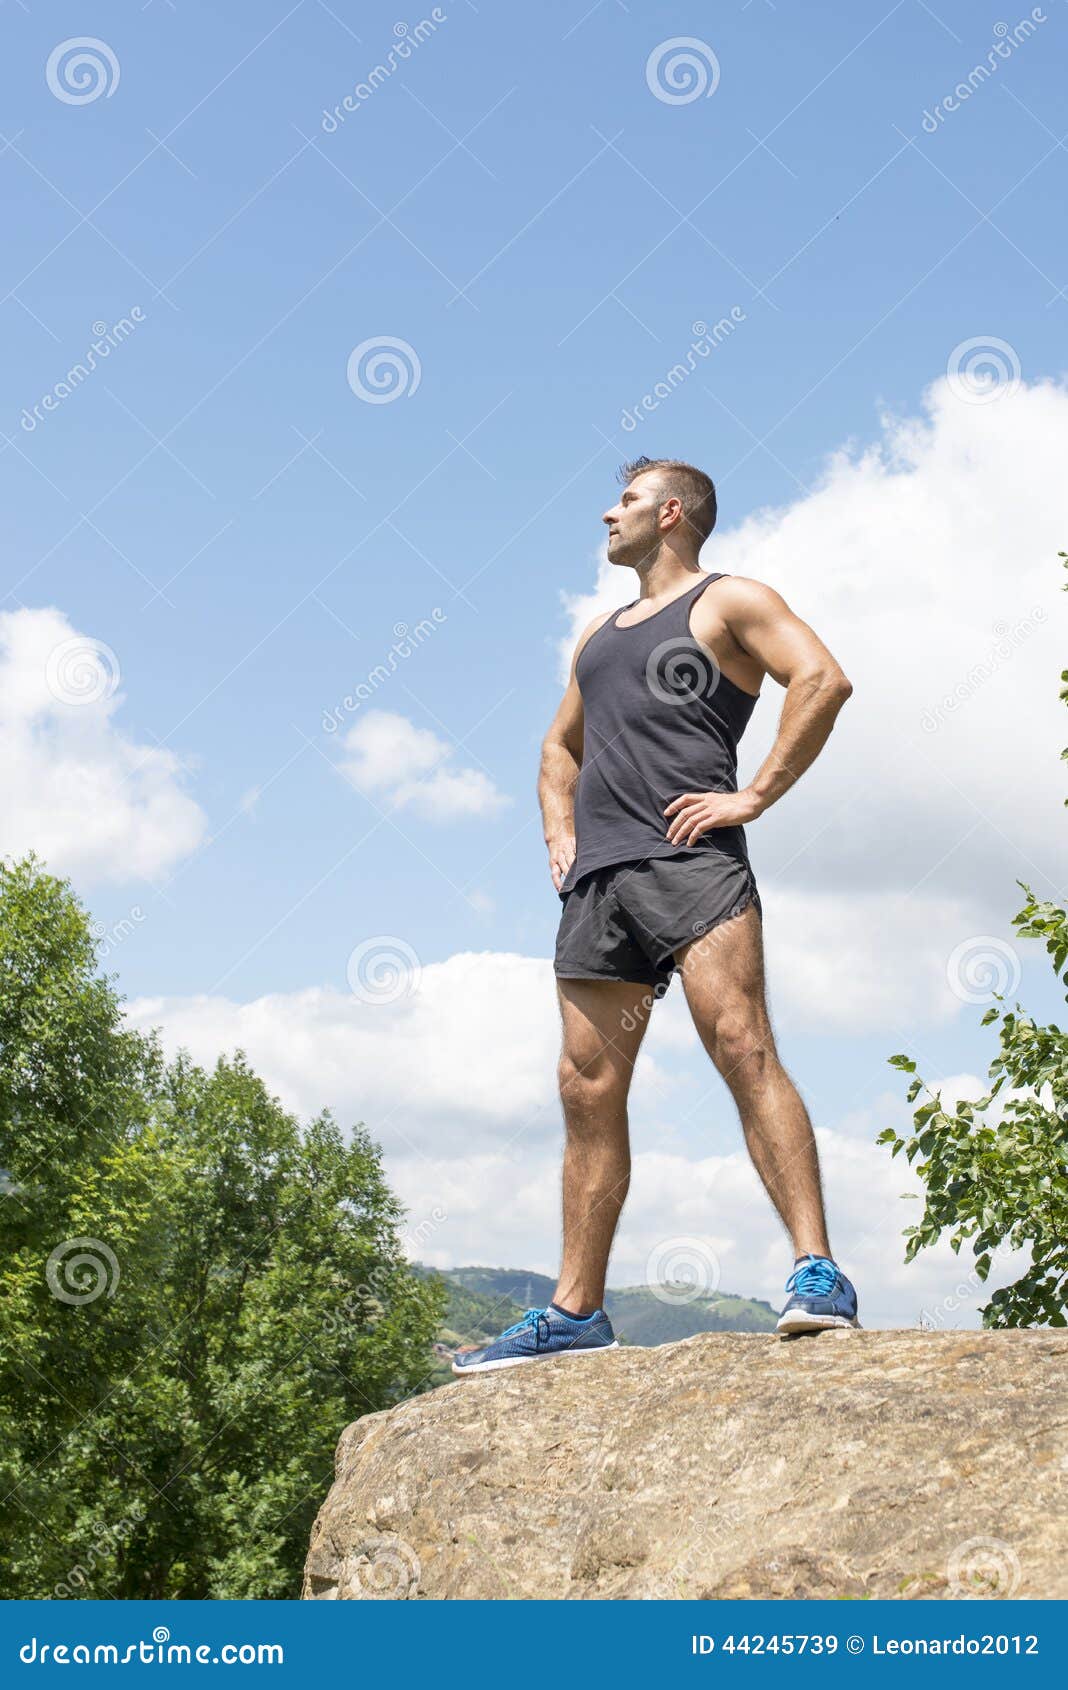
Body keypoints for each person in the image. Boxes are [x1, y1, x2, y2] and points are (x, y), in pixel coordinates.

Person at [453, 456, 858, 1375]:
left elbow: (823, 680)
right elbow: (559, 745)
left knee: (742, 1045)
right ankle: (575, 1312)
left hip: (691, 863)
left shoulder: (729, 601)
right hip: (599, 883)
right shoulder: (598, 635)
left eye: (627, 500)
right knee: (585, 1089)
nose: (608, 512)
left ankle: (819, 1272)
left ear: (671, 513)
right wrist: (560, 832)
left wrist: (754, 796)